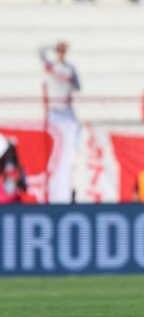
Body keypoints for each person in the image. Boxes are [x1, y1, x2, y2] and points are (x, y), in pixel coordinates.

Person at [40, 41, 81, 203]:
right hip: (53, 111)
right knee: (53, 151)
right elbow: (39, 52)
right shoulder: (51, 66)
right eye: (59, 51)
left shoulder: (70, 69)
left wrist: (69, 81)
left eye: (62, 51)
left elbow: (78, 87)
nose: (60, 53)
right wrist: (52, 45)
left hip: (66, 111)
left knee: (71, 149)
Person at [0, 137, 28, 204]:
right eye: (7, 151)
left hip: (14, 205)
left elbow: (24, 188)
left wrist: (17, 181)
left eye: (11, 150)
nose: (9, 154)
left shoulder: (19, 169)